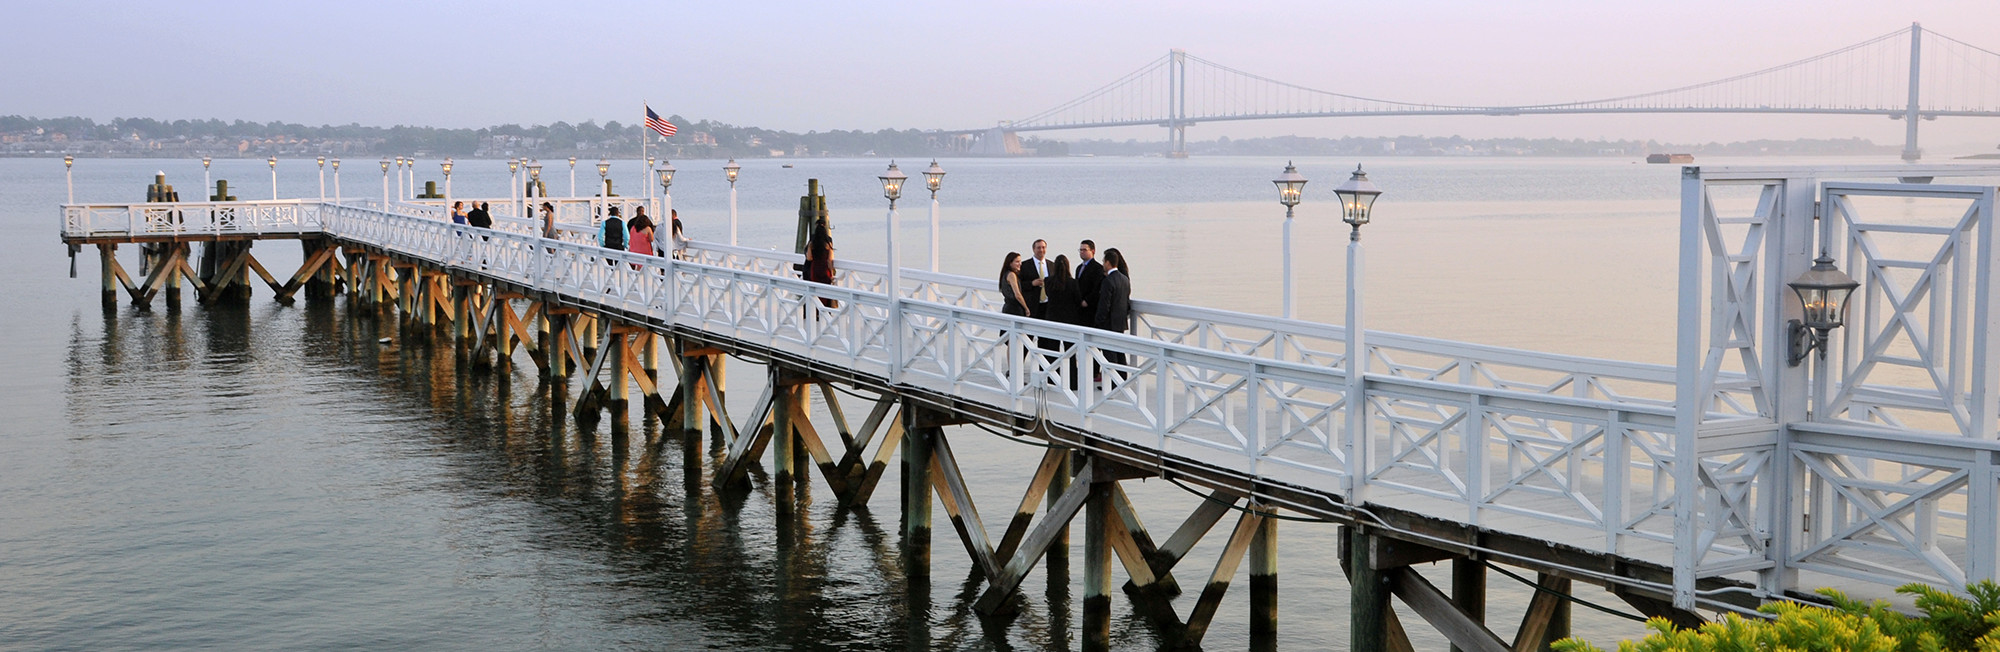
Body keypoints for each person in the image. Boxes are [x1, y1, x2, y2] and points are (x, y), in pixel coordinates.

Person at [1094, 248, 1132, 382]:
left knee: (1109, 354)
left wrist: (1099, 321)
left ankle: (1113, 382)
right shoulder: (1124, 279)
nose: (1103, 264)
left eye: (1104, 261)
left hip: (1108, 323)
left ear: (1108, 263)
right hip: (1120, 322)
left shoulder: (1108, 281)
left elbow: (1105, 305)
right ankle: (1123, 378)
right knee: (1120, 351)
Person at [1018, 239, 1053, 318]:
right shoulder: (1024, 265)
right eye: (1038, 248)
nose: (1041, 250)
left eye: (1043, 247)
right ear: (1033, 249)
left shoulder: (1052, 265)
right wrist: (1031, 284)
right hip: (1032, 305)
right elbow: (1019, 285)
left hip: (1048, 304)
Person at [1075, 240, 1104, 315]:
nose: (1082, 252)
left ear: (1093, 251)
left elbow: (1097, 288)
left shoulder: (1098, 268)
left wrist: (1087, 301)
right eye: (1080, 250)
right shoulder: (1079, 268)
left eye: (1085, 250)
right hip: (1078, 306)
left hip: (1090, 308)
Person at [999, 252, 1028, 317]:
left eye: (1020, 261)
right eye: (1017, 262)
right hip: (1014, 309)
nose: (1020, 264)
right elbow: (1017, 295)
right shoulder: (1011, 275)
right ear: (1010, 263)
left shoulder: (1005, 274)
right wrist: (1026, 308)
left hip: (1007, 307)